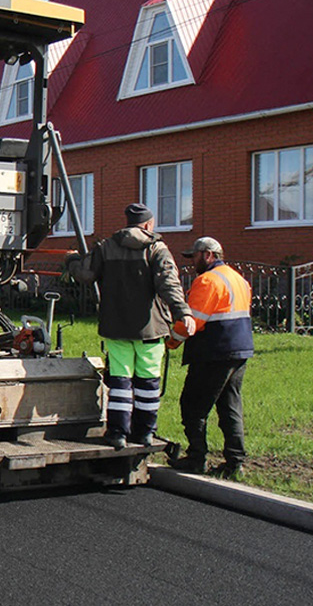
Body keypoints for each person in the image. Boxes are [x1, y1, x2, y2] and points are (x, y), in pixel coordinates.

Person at [67, 203, 195, 449]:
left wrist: (72, 259)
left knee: (120, 382)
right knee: (148, 383)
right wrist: (183, 313)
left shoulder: (106, 247)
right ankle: (145, 432)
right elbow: (169, 284)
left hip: (116, 328)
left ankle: (117, 433)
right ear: (148, 224)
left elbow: (85, 275)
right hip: (150, 328)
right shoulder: (156, 248)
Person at [166, 237, 254, 479]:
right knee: (230, 405)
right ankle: (235, 463)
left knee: (193, 405)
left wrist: (171, 341)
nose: (192, 262)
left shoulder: (206, 281)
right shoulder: (238, 278)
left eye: (194, 256)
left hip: (213, 352)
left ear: (208, 255)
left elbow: (192, 321)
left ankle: (197, 458)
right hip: (239, 350)